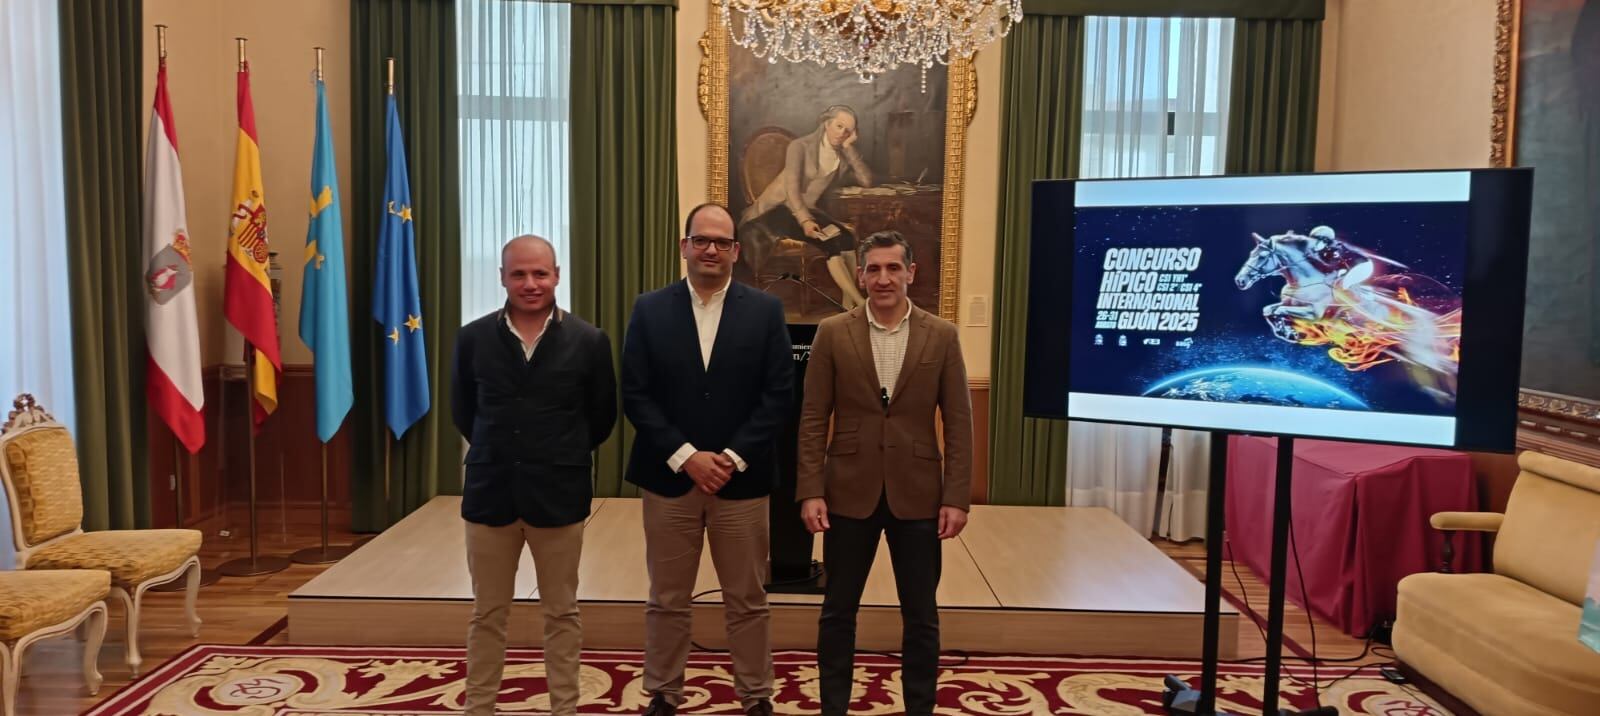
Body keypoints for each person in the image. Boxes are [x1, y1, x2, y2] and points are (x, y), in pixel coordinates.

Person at [622, 203, 794, 716]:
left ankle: (756, 694)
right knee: (668, 597)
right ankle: (664, 692)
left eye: (722, 242)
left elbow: (778, 395)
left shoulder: (766, 311)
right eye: (702, 240)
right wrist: (687, 456)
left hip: (742, 482)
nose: (711, 250)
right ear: (685, 246)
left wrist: (733, 457)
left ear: (737, 251)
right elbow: (635, 393)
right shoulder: (649, 309)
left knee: (747, 599)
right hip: (669, 479)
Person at [795, 230, 974, 716]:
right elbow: (813, 416)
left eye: (893, 268)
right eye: (873, 269)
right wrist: (810, 489)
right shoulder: (833, 332)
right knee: (837, 613)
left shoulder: (943, 335)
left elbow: (959, 421)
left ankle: (919, 707)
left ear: (911, 273)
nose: (883, 278)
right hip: (847, 493)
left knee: (921, 616)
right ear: (860, 275)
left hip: (918, 497)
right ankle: (833, 706)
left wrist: (956, 497)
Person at [451, 235, 618, 716]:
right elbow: (465, 412)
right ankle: (479, 707)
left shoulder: (589, 341)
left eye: (540, 273)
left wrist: (554, 453)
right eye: (519, 274)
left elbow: (600, 418)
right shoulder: (473, 338)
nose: (530, 283)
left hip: (558, 494)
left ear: (557, 276)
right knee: (487, 614)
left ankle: (565, 707)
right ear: (502, 277)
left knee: (562, 613)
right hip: (490, 494)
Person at [738, 105, 873, 309]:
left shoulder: (841, 153)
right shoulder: (799, 146)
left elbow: (866, 180)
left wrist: (849, 147)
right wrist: (806, 221)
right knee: (830, 244)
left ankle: (849, 307)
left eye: (848, 130)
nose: (842, 133)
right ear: (826, 123)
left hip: (803, 209)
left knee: (846, 238)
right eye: (838, 126)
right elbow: (792, 189)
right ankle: (862, 304)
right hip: (775, 211)